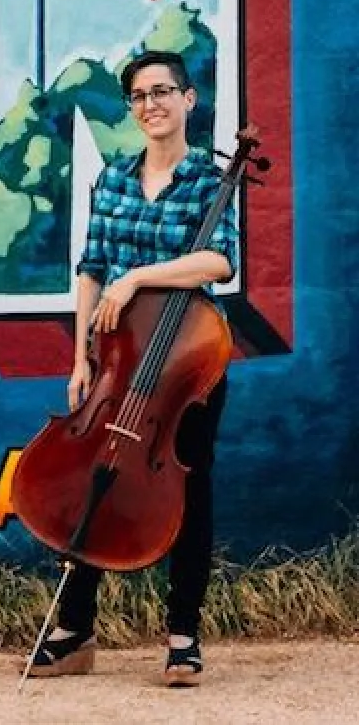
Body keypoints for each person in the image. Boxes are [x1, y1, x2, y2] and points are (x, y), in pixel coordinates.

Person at [26, 49, 239, 688]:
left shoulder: (209, 179)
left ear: (188, 100)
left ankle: (182, 636)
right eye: (140, 96)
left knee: (188, 490)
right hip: (117, 361)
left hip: (185, 362)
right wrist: (80, 360)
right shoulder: (113, 177)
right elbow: (92, 267)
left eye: (162, 91)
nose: (151, 104)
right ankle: (74, 632)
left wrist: (141, 276)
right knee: (100, 475)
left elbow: (218, 265)